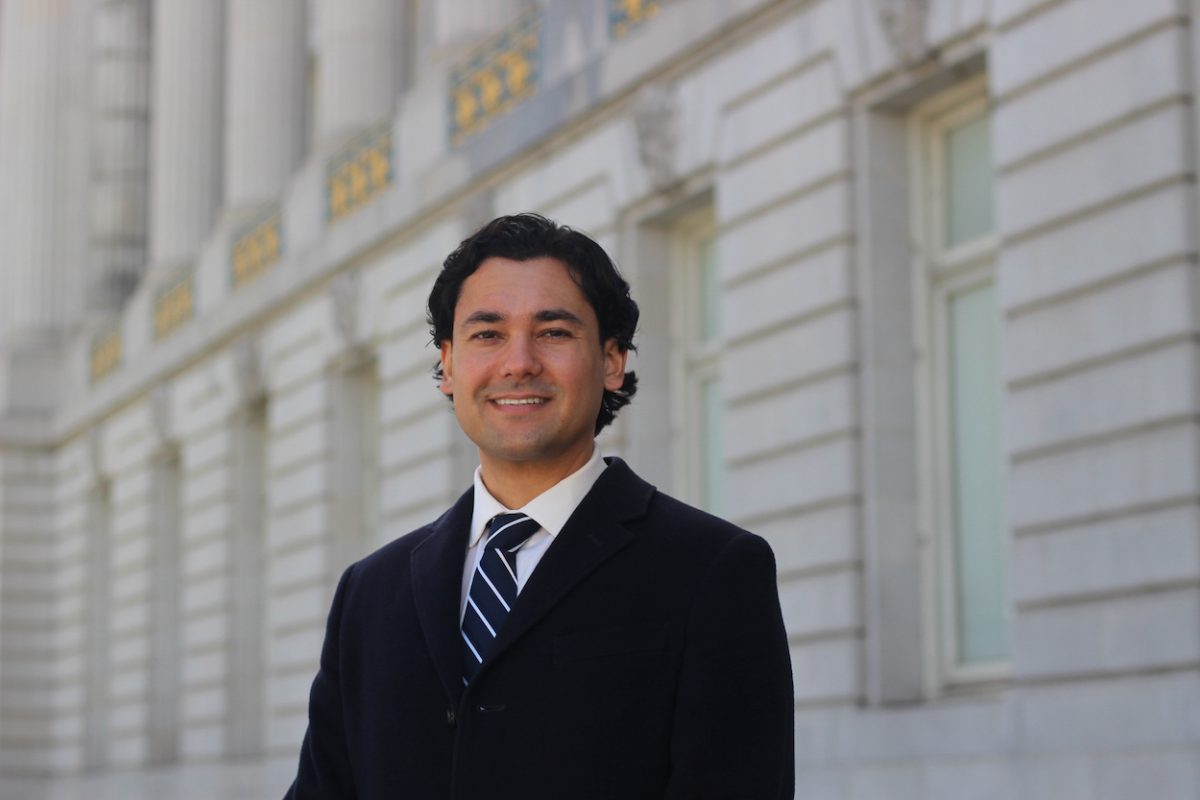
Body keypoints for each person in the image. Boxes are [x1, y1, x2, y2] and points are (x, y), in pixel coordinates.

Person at [285, 213, 794, 799]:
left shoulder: (713, 569)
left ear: (611, 360)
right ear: (448, 364)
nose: (519, 361)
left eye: (553, 332)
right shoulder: (369, 594)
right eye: (487, 334)